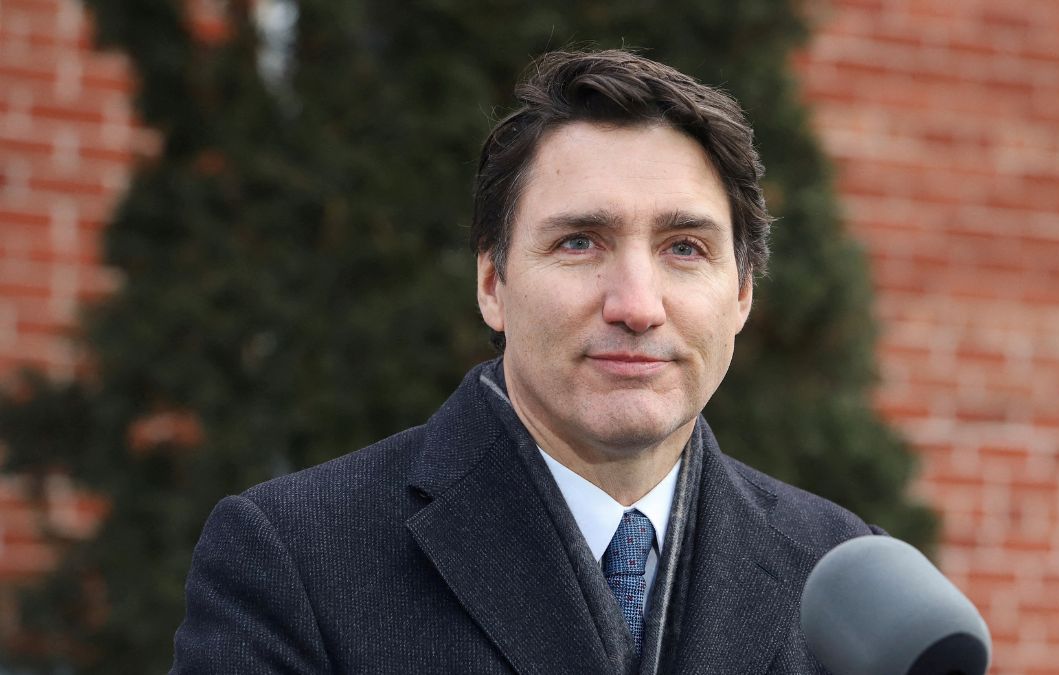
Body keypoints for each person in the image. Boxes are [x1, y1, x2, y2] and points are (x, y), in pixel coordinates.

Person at [170, 49, 880, 674]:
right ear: (492, 284)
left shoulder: (847, 577)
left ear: (743, 295)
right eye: (580, 242)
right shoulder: (296, 559)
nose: (636, 304)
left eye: (685, 248)